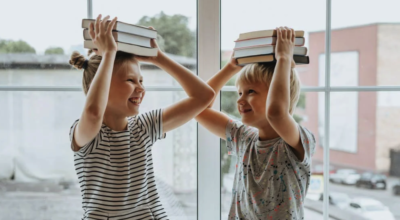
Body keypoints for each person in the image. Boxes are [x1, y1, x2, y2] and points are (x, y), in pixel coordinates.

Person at [69, 14, 214, 220]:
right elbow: (93, 113)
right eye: (131, 80)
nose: (141, 88)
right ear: (101, 87)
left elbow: (204, 96)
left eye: (141, 80)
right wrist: (109, 53)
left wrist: (159, 58)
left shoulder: (144, 126)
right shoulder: (88, 134)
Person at [195, 26, 316, 219]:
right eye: (240, 92)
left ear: (281, 95)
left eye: (251, 92)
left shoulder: (297, 140)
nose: (240, 100)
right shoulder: (243, 137)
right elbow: (198, 108)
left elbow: (276, 113)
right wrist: (230, 68)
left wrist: (284, 59)